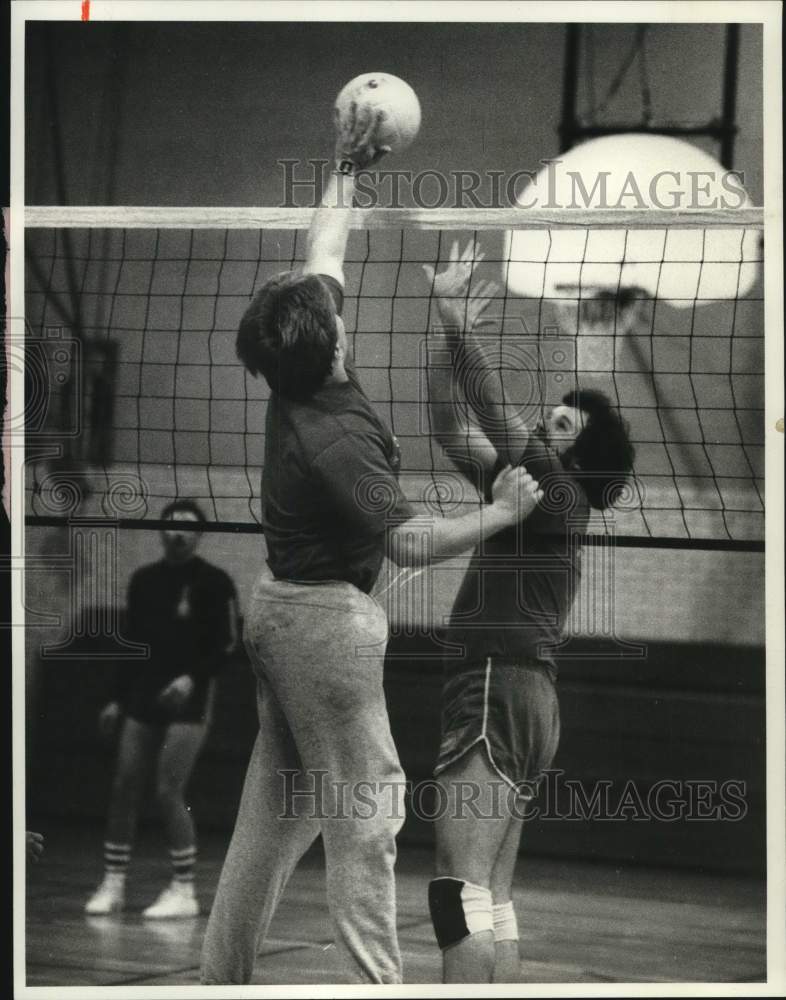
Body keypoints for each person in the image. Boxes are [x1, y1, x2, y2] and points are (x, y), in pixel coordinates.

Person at [200, 106, 543, 986]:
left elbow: (323, 253)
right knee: (368, 821)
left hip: (281, 613)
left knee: (272, 820)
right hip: (324, 632)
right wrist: (503, 511)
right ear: (336, 341)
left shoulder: (295, 364)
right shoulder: (335, 442)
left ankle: (219, 979)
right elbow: (416, 542)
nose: (324, 293)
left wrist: (347, 169)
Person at [424, 243, 636, 983]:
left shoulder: (551, 483)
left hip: (494, 684)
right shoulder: (534, 492)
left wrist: (458, 324)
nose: (548, 425)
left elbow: (488, 407)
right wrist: (441, 332)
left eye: (563, 426)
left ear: (581, 456)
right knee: (491, 898)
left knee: (456, 894)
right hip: (529, 698)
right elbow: (449, 427)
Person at [85, 499, 238, 919]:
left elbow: (228, 645)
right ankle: (114, 883)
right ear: (161, 534)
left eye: (186, 529)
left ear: (198, 535)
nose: (178, 535)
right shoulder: (144, 581)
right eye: (171, 528)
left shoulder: (215, 582)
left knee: (168, 788)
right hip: (144, 694)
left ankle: (184, 889)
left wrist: (191, 678)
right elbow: (131, 645)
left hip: (190, 697)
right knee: (124, 784)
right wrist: (117, 698)